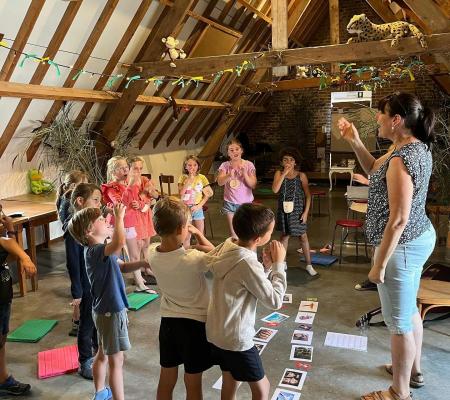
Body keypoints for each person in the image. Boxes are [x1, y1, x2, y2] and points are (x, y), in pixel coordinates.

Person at [338, 92, 436, 400]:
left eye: (382, 114)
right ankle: (412, 371)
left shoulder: (402, 159)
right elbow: (372, 170)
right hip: (418, 239)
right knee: (409, 313)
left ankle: (399, 392)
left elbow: (398, 220)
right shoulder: (407, 147)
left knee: (398, 322)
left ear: (396, 121)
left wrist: (379, 264)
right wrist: (354, 140)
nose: (378, 119)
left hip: (401, 246)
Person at [68, 203, 150, 400]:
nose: (106, 221)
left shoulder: (101, 251)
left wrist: (144, 263)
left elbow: (122, 267)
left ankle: (100, 392)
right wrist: (120, 218)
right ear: (89, 230)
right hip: (110, 311)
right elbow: (120, 242)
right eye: (101, 220)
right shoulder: (96, 251)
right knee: (116, 360)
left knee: (103, 354)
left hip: (106, 310)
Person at [206, 203, 287, 400]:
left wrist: (265, 268)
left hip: (217, 332)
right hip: (237, 340)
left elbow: (243, 282)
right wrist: (278, 265)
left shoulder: (228, 245)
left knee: (230, 381)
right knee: (262, 388)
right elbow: (275, 300)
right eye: (270, 232)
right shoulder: (248, 263)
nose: (272, 234)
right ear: (259, 239)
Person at [146, 197, 215, 400]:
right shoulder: (194, 259)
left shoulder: (151, 253)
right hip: (194, 327)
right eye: (187, 226)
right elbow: (218, 255)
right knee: (193, 382)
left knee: (166, 378)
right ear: (180, 229)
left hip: (168, 324)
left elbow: (168, 251)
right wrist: (200, 235)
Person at [65, 183, 102, 379]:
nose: (99, 204)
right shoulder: (73, 231)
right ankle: (85, 361)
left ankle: (98, 353)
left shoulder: (91, 225)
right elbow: (72, 264)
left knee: (95, 320)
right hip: (86, 286)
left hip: (95, 284)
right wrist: (77, 292)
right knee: (86, 324)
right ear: (80, 201)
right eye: (95, 200)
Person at [101, 156, 155, 293]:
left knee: (135, 254)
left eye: (126, 167)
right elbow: (121, 206)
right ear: (113, 171)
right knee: (119, 256)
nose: (126, 170)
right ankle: (118, 285)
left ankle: (139, 282)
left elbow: (138, 201)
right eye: (122, 168)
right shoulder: (111, 188)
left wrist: (141, 196)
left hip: (130, 223)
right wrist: (131, 186)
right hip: (119, 225)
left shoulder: (127, 184)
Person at [0, 210, 36, 396]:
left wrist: (10, 230)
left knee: (2, 339)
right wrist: (26, 257)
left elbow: (8, 250)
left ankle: (3, 379)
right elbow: (4, 243)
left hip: (3, 299)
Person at [272, 148, 317, 277]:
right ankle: (282, 263)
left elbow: (308, 196)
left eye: (291, 160)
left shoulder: (301, 176)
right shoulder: (278, 174)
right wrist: (284, 174)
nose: (288, 162)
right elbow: (275, 190)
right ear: (282, 162)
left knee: (303, 236)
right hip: (284, 209)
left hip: (298, 209)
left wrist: (305, 213)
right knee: (285, 236)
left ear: (295, 162)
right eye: (285, 160)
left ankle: (309, 264)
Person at [56, 170, 89, 335]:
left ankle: (83, 316)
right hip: (75, 252)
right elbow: (72, 262)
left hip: (82, 249)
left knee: (85, 282)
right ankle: (77, 319)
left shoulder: (73, 202)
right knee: (78, 285)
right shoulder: (66, 202)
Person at [126, 156, 159, 281]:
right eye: (135, 168)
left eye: (140, 168)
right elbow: (132, 200)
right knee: (138, 244)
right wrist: (144, 193)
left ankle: (147, 267)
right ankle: (137, 270)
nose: (138, 171)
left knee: (146, 243)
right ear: (129, 168)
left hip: (145, 215)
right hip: (134, 216)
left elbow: (155, 195)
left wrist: (151, 191)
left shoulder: (144, 179)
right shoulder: (128, 183)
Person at [217, 139, 257, 239]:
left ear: (241, 150)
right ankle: (236, 254)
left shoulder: (249, 165)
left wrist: (244, 174)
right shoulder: (224, 165)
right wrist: (228, 175)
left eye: (237, 149)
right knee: (233, 234)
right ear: (228, 153)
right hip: (230, 203)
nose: (234, 152)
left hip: (246, 204)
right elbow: (220, 182)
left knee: (247, 231)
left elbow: (253, 185)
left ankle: (249, 253)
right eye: (231, 150)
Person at [178, 155, 213, 248]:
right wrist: (187, 182)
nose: (192, 167)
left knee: (200, 235)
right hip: (185, 208)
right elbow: (181, 193)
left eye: (194, 165)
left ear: (198, 166)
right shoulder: (182, 177)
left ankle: (199, 256)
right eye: (189, 165)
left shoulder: (202, 178)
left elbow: (208, 194)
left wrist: (199, 206)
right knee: (186, 235)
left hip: (197, 208)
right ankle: (187, 255)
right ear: (185, 167)